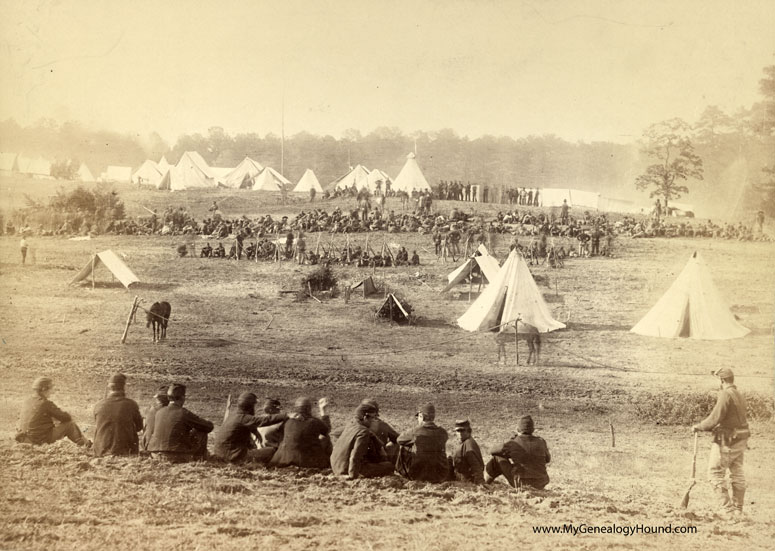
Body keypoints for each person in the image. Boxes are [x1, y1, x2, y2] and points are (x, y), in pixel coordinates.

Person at [692, 368, 750, 514]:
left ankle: (727, 510)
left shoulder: (725, 394)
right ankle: (738, 509)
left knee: (715, 472)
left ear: (722, 380)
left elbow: (715, 417)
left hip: (727, 440)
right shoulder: (739, 394)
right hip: (741, 438)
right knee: (737, 472)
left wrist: (699, 426)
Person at [15, 377, 91, 448]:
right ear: (44, 389)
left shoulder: (27, 401)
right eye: (51, 388)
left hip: (24, 438)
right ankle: (84, 444)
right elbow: (66, 417)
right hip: (37, 439)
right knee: (69, 424)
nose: (52, 391)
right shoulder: (45, 403)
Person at [213, 392, 287, 464]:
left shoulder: (233, 416)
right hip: (233, 457)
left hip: (221, 454)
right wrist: (286, 416)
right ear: (250, 407)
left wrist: (255, 431)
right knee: (272, 451)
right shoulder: (244, 418)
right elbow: (264, 420)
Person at [147, 384, 214, 462]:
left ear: (168, 397)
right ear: (182, 398)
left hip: (155, 455)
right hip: (176, 456)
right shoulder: (184, 413)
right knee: (202, 432)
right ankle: (200, 459)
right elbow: (208, 427)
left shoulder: (159, 412)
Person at [485, 415, 550, 489]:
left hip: (521, 483)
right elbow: (548, 459)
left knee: (496, 458)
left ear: (518, 429)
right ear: (533, 430)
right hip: (541, 483)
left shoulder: (514, 442)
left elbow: (492, 451)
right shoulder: (541, 441)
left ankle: (485, 483)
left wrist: (510, 448)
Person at [330, 403, 394, 479]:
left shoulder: (350, 426)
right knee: (389, 466)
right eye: (372, 418)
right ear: (365, 417)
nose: (373, 421)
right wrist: (352, 475)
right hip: (348, 469)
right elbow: (356, 455)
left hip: (336, 467)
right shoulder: (363, 432)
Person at [269, 397, 332, 469]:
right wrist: (322, 410)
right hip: (308, 461)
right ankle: (329, 463)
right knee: (326, 438)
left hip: (284, 459)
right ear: (309, 409)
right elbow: (327, 430)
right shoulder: (314, 421)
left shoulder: (288, 420)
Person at [92, 374, 143, 457]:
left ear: (109, 388)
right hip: (125, 451)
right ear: (123, 387)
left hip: (101, 452)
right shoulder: (131, 404)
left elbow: (98, 424)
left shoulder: (98, 405)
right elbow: (139, 427)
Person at [396, 403, 449, 482]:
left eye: (419, 416)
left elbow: (399, 440)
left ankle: (401, 472)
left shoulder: (415, 431)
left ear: (422, 417)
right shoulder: (443, 432)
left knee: (403, 447)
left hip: (417, 475)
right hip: (438, 475)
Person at [141, 386, 169, 452]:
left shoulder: (152, 411)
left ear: (158, 399)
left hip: (150, 446)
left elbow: (146, 431)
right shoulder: (171, 411)